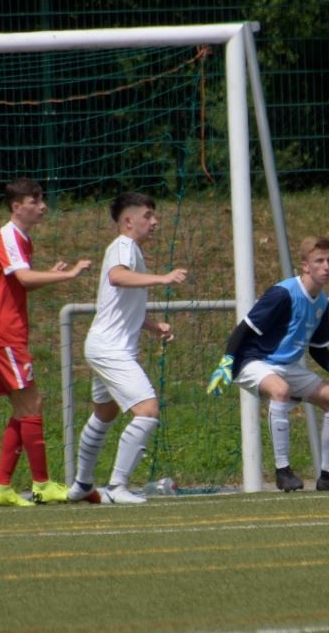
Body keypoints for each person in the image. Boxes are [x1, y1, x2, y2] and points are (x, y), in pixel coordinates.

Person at [206, 236, 329, 492]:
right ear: (305, 266)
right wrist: (226, 362)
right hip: (252, 361)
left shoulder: (322, 301)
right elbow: (243, 329)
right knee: (280, 390)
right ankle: (283, 472)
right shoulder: (283, 293)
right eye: (319, 261)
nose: (326, 266)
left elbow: (318, 348)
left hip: (286, 367)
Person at [65, 191, 188, 505]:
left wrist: (153, 326)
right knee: (147, 411)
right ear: (128, 221)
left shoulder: (131, 250)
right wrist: (163, 278)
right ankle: (117, 487)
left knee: (104, 414)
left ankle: (82, 484)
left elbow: (120, 304)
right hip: (111, 350)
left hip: (104, 346)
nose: (154, 221)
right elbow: (117, 277)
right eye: (148, 215)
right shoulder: (123, 246)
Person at [0, 178, 91, 507]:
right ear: (16, 206)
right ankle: (42, 484)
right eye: (35, 201)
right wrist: (67, 275)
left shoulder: (21, 238)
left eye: (42, 200)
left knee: (24, 408)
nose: (42, 206)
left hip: (3, 333)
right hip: (3, 333)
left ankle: (1, 487)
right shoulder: (9, 235)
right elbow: (24, 278)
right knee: (32, 404)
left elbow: (20, 282)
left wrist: (50, 273)